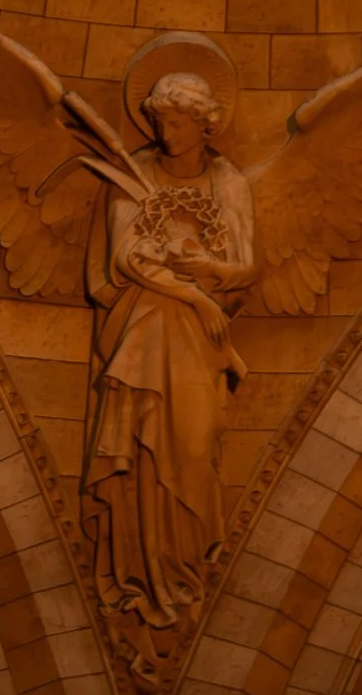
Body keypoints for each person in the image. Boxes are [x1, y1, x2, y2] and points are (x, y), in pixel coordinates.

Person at [80, 71, 255, 630]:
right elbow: (128, 256)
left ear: (206, 124)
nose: (167, 131)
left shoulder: (229, 182)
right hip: (145, 329)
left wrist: (212, 273)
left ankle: (184, 564)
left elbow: (247, 265)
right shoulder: (135, 175)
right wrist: (195, 297)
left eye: (177, 122)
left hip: (200, 345)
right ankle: (140, 569)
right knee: (141, 453)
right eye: (160, 120)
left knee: (195, 443)